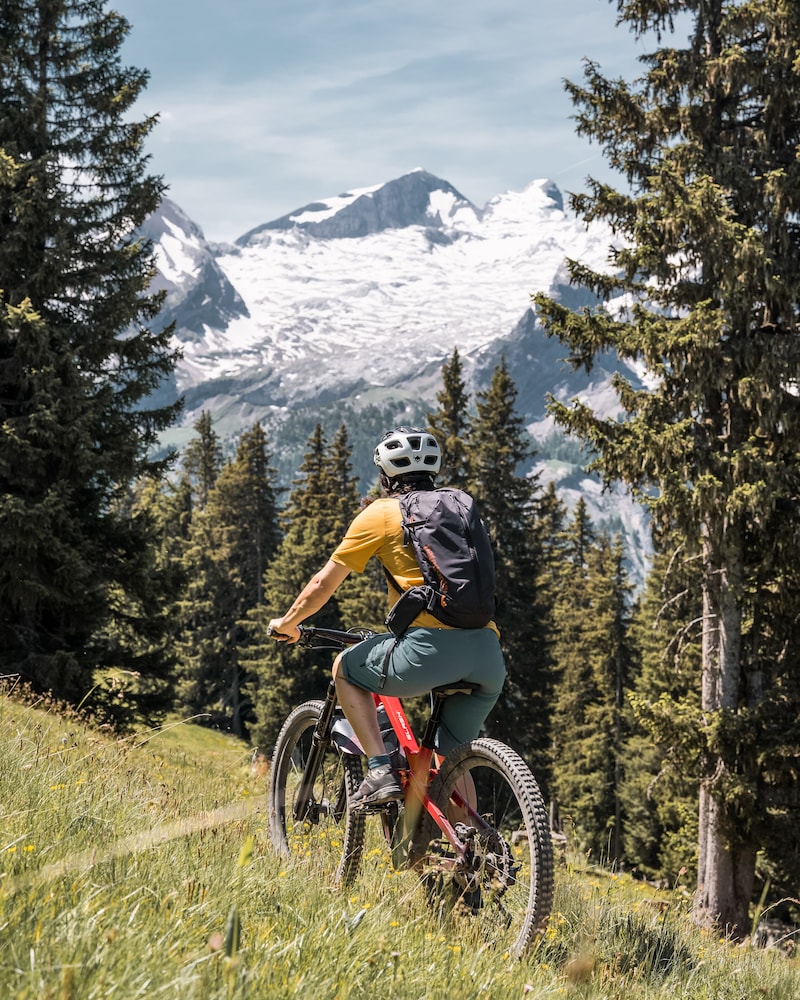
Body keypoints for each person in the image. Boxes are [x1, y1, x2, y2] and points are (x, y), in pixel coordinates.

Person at [268, 427, 506, 810]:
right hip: (487, 656)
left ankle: (379, 770)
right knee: (452, 757)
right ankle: (471, 852)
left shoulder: (380, 513)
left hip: (427, 653)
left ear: (384, 472)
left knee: (344, 667)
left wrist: (289, 622)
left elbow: (323, 582)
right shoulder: (461, 506)